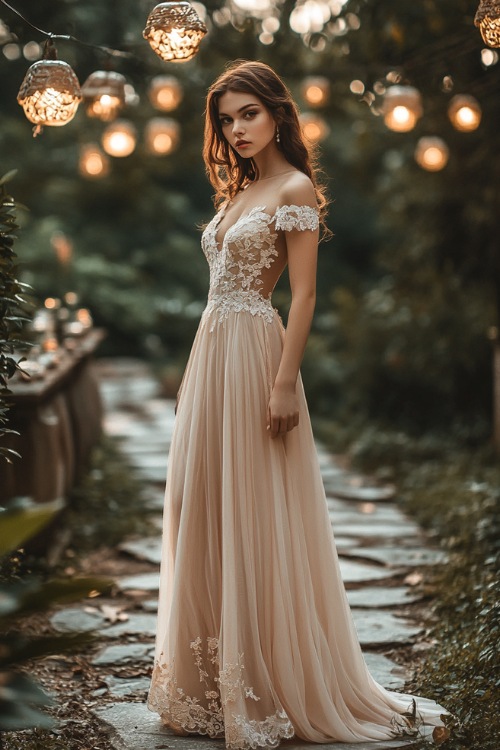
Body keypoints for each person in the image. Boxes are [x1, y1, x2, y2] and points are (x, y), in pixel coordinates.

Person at [147, 60, 449, 749]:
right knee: (207, 503)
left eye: (248, 114)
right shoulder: (240, 190)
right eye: (226, 119)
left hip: (256, 350)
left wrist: (284, 382)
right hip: (211, 352)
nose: (236, 129)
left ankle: (270, 682)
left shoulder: (295, 189)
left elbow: (305, 295)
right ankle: (211, 684)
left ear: (279, 114)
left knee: (256, 508)